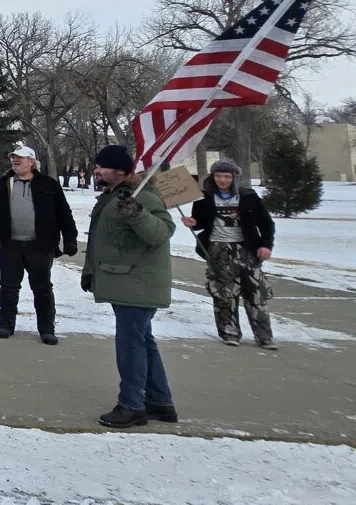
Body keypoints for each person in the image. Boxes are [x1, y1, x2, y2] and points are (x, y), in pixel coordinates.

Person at [81, 145, 178, 428]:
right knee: (143, 342)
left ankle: (132, 406)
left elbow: (161, 232)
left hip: (137, 284)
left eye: (102, 166)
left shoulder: (143, 196)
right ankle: (161, 403)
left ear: (121, 170)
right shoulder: (114, 196)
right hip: (124, 280)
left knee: (130, 346)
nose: (96, 170)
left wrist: (136, 212)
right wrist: (91, 272)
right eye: (97, 165)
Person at [0, 145, 80, 345]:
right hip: (11, 245)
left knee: (42, 288)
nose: (15, 161)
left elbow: (64, 213)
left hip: (40, 246)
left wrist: (70, 239)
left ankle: (47, 329)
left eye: (20, 158)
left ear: (32, 162)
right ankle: (6, 325)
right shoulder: (4, 183)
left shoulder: (48, 184)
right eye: (13, 158)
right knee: (8, 287)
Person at [184, 159, 277, 349]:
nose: (223, 180)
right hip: (218, 250)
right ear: (213, 177)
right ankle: (229, 332)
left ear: (234, 177)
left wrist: (266, 245)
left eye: (227, 176)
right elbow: (201, 222)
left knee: (255, 294)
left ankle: (264, 336)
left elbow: (266, 223)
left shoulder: (248, 196)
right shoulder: (204, 197)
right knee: (224, 295)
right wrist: (192, 222)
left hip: (247, 249)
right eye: (218, 176)